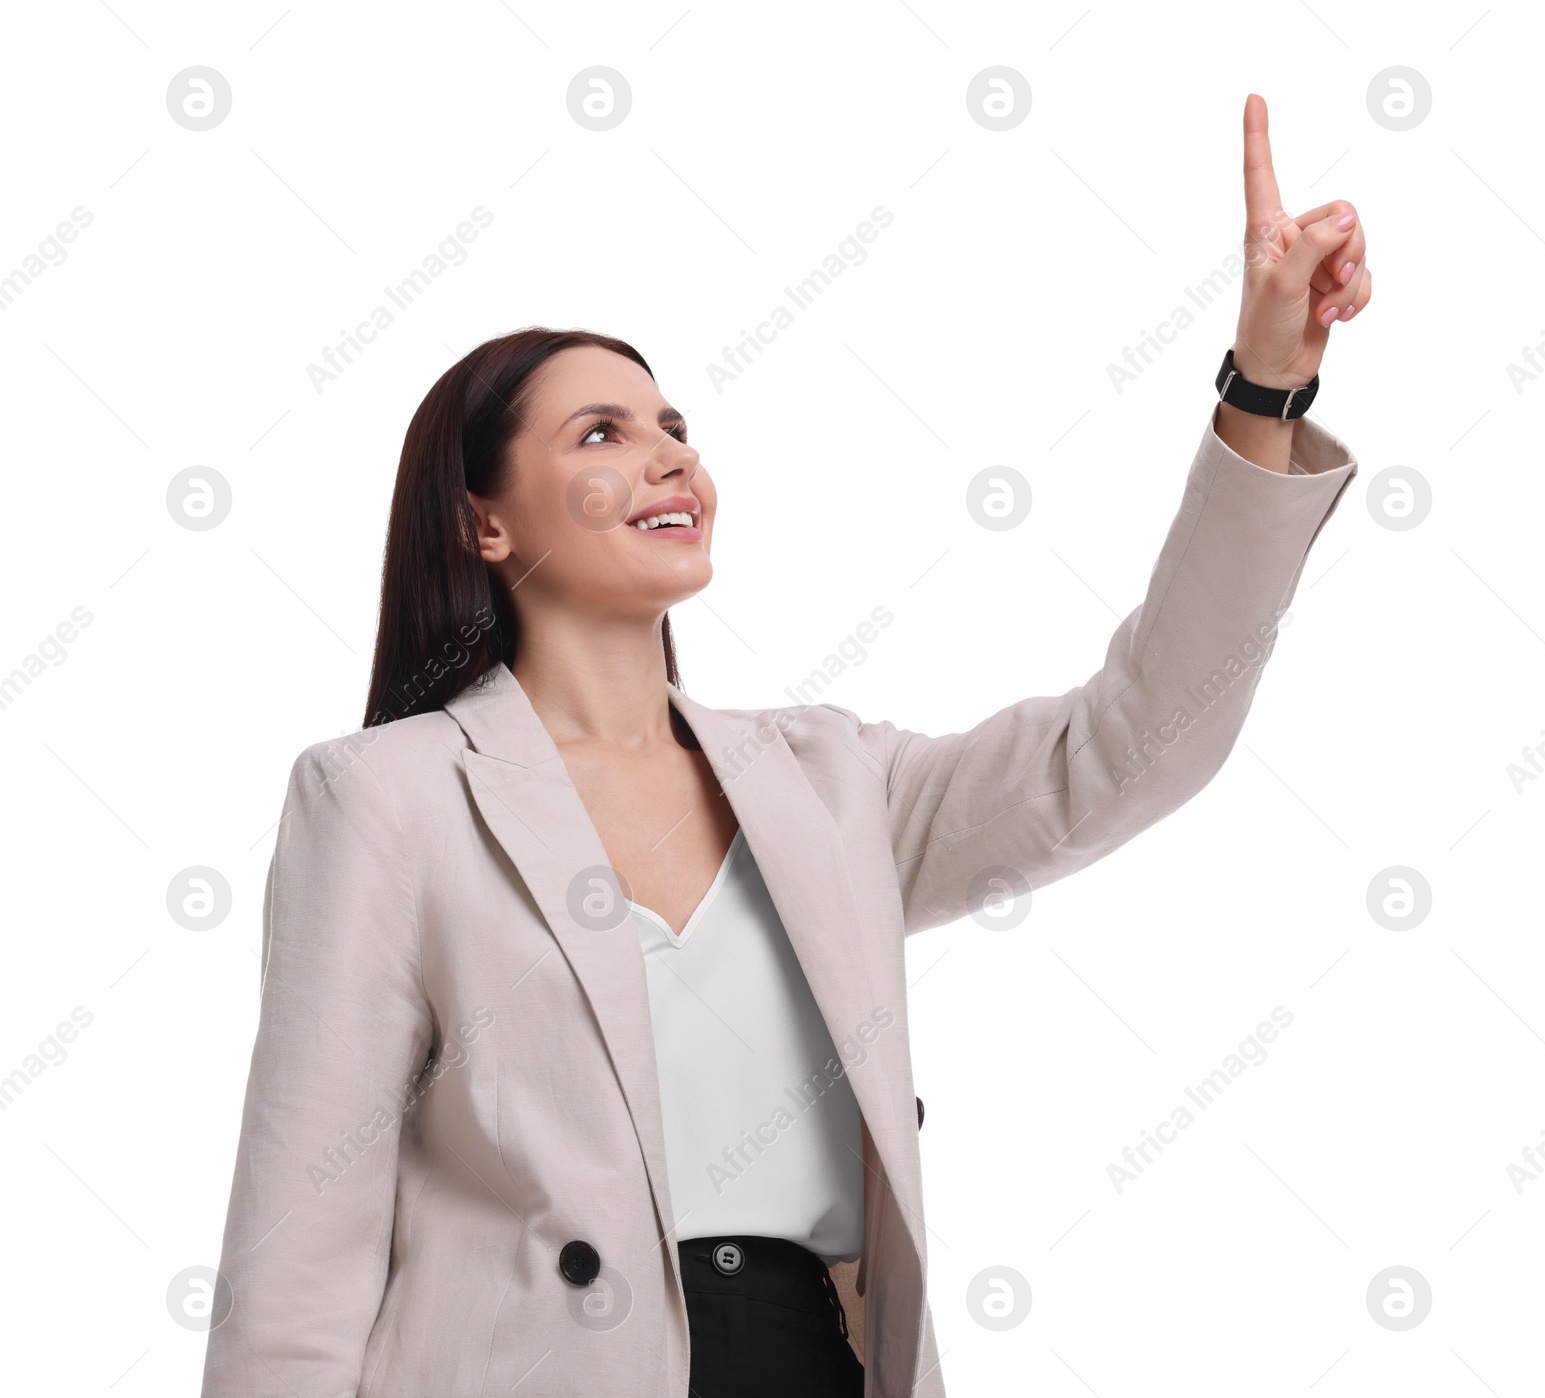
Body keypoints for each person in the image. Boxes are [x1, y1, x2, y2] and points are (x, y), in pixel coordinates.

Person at [200, 93, 1368, 1397]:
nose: (670, 461)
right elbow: (299, 1265)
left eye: (675, 429)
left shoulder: (827, 782)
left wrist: (1265, 382)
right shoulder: (387, 797)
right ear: (482, 521)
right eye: (603, 433)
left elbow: (1140, 740)